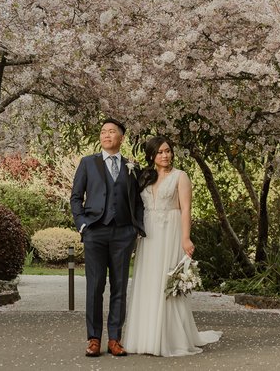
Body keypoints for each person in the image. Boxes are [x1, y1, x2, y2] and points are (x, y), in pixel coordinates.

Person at [121, 135, 221, 356]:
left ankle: (170, 338)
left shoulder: (180, 177)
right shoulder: (145, 177)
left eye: (168, 151)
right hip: (149, 237)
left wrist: (186, 238)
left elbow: (186, 209)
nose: (165, 155)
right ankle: (145, 337)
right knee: (148, 282)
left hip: (171, 232)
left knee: (167, 283)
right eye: (160, 152)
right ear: (152, 155)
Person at [70, 118, 145, 357]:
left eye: (112, 132)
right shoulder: (87, 163)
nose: (106, 135)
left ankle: (115, 338)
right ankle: (94, 339)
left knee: (119, 287)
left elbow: (138, 202)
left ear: (121, 138)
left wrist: (136, 228)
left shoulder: (132, 166)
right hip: (95, 231)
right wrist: (82, 224)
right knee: (95, 286)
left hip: (123, 233)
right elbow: (75, 197)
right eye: (103, 131)